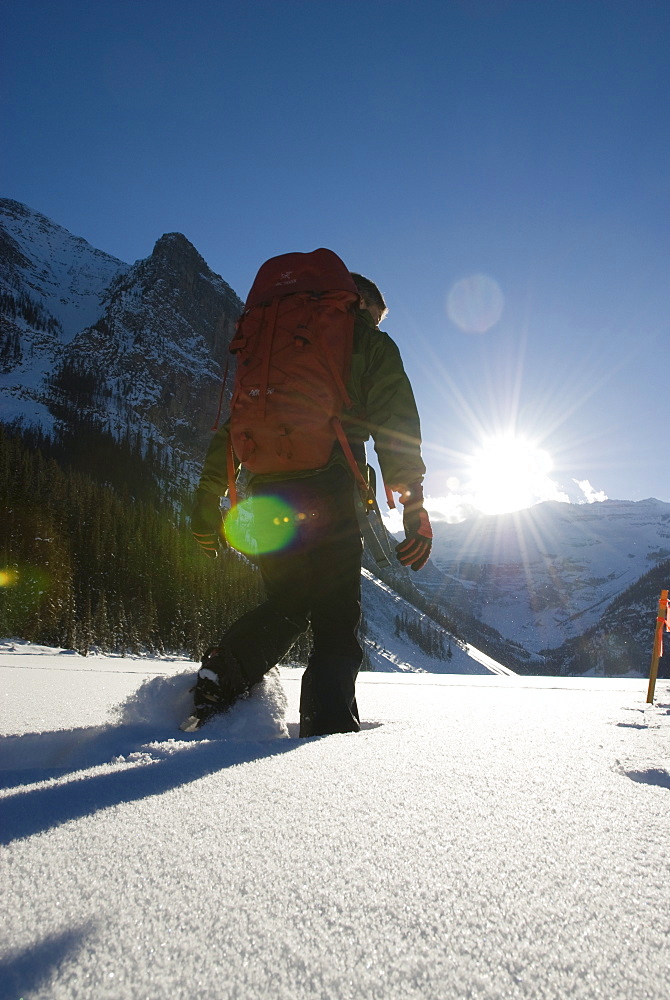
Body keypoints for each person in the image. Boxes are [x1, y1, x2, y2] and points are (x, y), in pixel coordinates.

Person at [187, 272, 432, 735]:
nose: (374, 328)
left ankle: (223, 674)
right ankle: (328, 732)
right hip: (330, 487)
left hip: (266, 490)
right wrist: (414, 507)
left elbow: (235, 425)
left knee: (288, 601)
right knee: (336, 619)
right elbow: (396, 428)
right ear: (360, 304)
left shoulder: (272, 344)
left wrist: (207, 497)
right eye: (374, 318)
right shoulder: (366, 341)